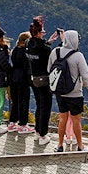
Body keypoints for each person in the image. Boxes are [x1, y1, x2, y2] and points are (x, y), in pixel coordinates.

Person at [52, 29, 88, 152]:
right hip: (75, 93)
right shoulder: (78, 56)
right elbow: (85, 75)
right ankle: (80, 146)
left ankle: (60, 145)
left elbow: (50, 68)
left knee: (62, 119)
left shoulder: (55, 52)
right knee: (76, 121)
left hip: (60, 92)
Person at [24, 16, 60, 146]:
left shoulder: (28, 43)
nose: (44, 34)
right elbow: (52, 61)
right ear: (39, 33)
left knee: (39, 105)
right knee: (46, 107)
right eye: (43, 32)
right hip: (44, 80)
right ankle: (43, 135)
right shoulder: (45, 50)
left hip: (33, 79)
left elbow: (38, 49)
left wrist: (49, 42)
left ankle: (37, 132)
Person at [8, 31, 34, 133]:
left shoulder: (14, 51)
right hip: (23, 79)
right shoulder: (25, 53)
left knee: (15, 101)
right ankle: (23, 124)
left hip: (14, 77)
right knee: (24, 101)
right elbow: (27, 67)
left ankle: (12, 123)